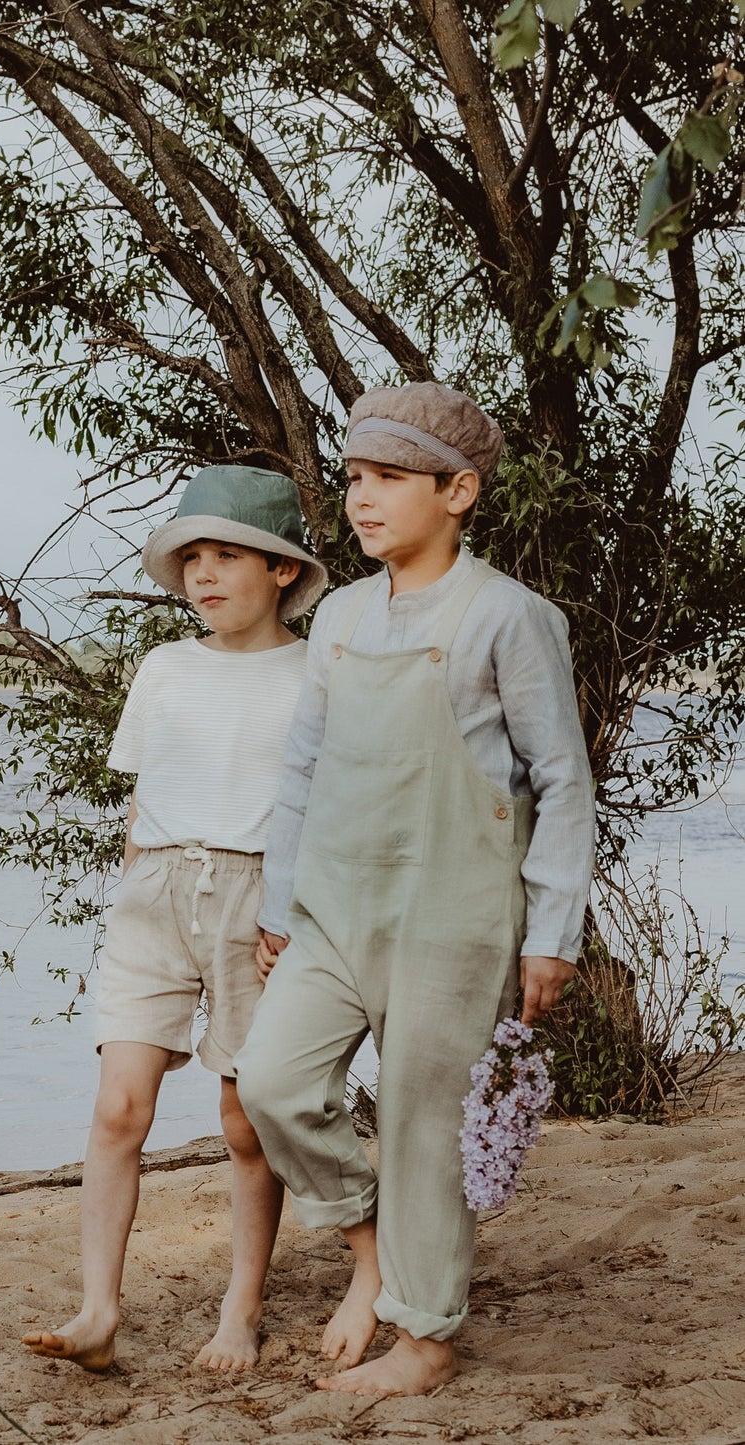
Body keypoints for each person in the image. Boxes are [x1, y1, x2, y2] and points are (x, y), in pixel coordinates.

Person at [234, 382, 595, 1396]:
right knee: (271, 1080)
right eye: (353, 478)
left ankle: (425, 1336)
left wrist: (550, 932)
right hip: (334, 911)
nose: (361, 499)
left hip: (455, 913)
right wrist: (278, 903)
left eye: (388, 480)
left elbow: (562, 783)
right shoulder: (340, 617)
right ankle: (373, 1249)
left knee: (424, 1118)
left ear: (458, 491)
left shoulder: (508, 618)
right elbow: (301, 771)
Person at [23, 465, 328, 1372]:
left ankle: (240, 1309)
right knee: (119, 1108)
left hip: (259, 902)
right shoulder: (162, 666)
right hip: (152, 893)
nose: (202, 573)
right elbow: (141, 800)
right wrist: (127, 898)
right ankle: (96, 1310)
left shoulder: (316, 672)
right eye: (190, 556)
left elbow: (328, 810)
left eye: (226, 554)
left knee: (243, 1122)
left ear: (279, 570)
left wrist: (296, 920)